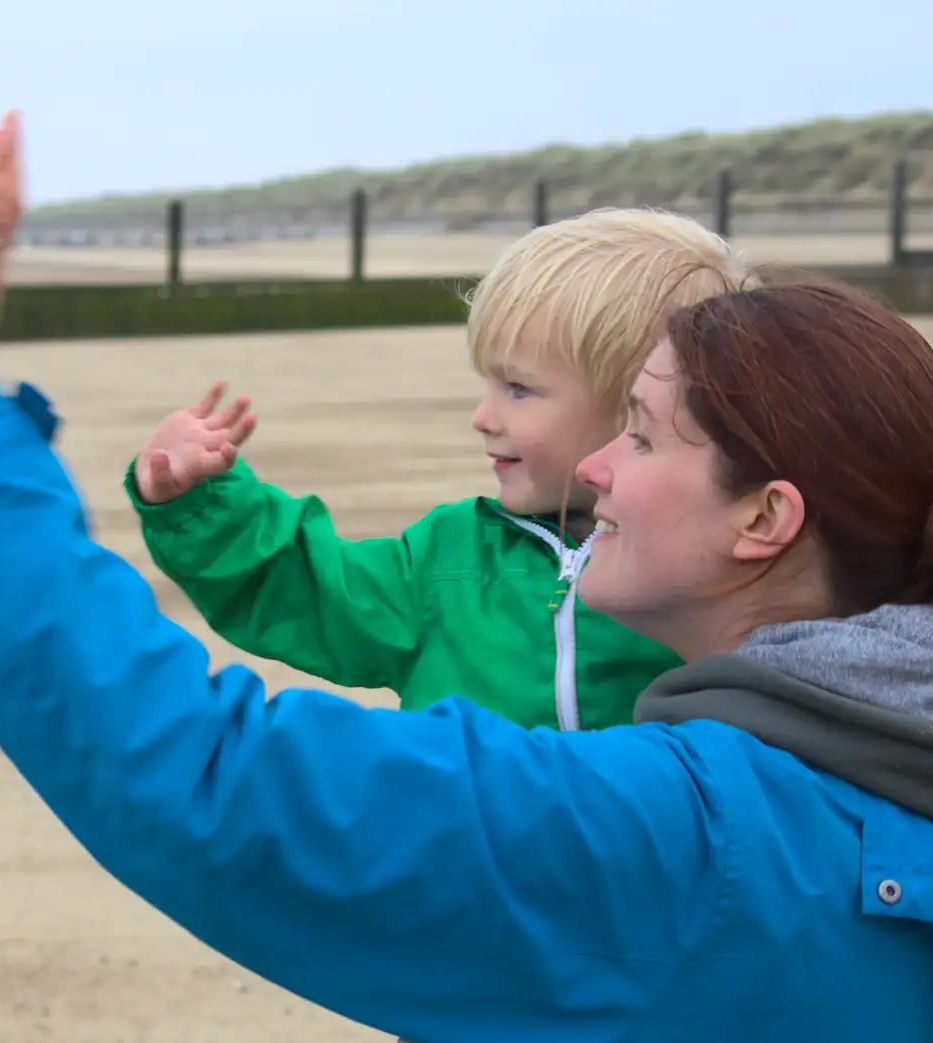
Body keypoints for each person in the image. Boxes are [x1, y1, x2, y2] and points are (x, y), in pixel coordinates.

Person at [0, 114, 933, 1040]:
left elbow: (212, 782)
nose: (595, 468)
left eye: (636, 429)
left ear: (767, 518)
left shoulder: (669, 838)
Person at [122, 209, 755, 731]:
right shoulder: (448, 561)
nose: (483, 417)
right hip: (476, 872)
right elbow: (310, 591)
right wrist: (204, 504)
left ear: (635, 405)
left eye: (519, 389)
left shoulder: (717, 566)